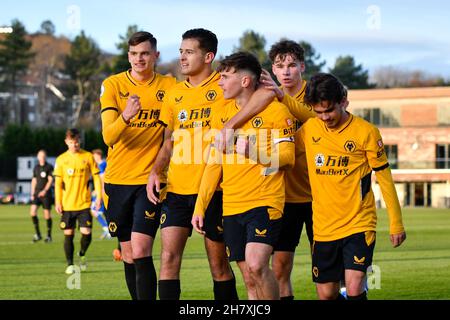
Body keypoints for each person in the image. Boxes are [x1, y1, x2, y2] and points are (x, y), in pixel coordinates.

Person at [192, 52, 296, 300]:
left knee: (257, 264)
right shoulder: (221, 113)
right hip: (231, 206)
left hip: (264, 201)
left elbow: (288, 159)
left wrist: (255, 153)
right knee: (249, 278)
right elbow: (214, 164)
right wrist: (200, 206)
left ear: (245, 81)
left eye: (225, 77)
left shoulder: (277, 112)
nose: (220, 82)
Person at [146, 28, 238, 300]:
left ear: (208, 56)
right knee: (168, 259)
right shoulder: (174, 93)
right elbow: (168, 141)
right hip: (176, 189)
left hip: (214, 191)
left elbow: (257, 98)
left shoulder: (225, 87)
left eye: (189, 52)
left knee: (219, 266)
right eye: (181, 52)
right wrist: (155, 171)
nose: (183, 58)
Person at [299, 73, 406, 300]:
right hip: (323, 227)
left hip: (358, 222)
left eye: (329, 110)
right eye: (318, 112)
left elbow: (385, 178)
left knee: (355, 287)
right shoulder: (309, 129)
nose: (324, 117)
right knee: (326, 294)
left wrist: (396, 223)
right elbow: (286, 155)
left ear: (344, 101)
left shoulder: (366, 132)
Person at [100, 31, 176, 300]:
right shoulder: (113, 85)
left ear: (155, 55)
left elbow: (173, 134)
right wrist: (126, 117)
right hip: (117, 181)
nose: (139, 59)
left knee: (142, 250)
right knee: (128, 253)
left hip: (149, 181)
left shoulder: (169, 86)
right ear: (128, 56)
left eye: (145, 53)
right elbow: (109, 136)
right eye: (133, 54)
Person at [268, 40, 314, 300]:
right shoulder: (266, 100)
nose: (286, 71)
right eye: (280, 66)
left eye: (291, 65)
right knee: (280, 267)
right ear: (273, 70)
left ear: (302, 67)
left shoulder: (316, 93)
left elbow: (318, 120)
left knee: (330, 267)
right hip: (284, 196)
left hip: (320, 194)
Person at [54, 129, 101, 275]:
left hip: (84, 204)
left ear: (79, 140)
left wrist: (99, 197)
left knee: (86, 232)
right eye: (71, 142)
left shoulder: (88, 157)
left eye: (76, 142)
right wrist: (57, 201)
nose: (74, 145)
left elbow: (97, 178)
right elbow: (57, 183)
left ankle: (82, 253)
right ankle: (69, 264)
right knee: (69, 234)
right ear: (66, 142)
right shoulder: (61, 159)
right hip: (67, 205)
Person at [30, 149, 54, 243]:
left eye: (43, 156)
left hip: (46, 194)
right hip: (36, 193)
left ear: (45, 157)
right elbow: (34, 180)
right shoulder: (36, 167)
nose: (42, 158)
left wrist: (44, 191)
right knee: (32, 212)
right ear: (38, 157)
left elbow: (50, 180)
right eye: (40, 156)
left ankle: (49, 236)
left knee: (47, 215)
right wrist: (32, 193)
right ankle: (38, 234)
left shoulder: (49, 167)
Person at [90, 149, 110, 239]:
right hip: (100, 191)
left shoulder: (102, 165)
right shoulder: (101, 164)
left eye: (94, 156)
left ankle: (107, 229)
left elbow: (103, 180)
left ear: (98, 156)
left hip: (102, 191)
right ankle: (108, 229)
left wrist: (100, 193)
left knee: (95, 211)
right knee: (99, 211)